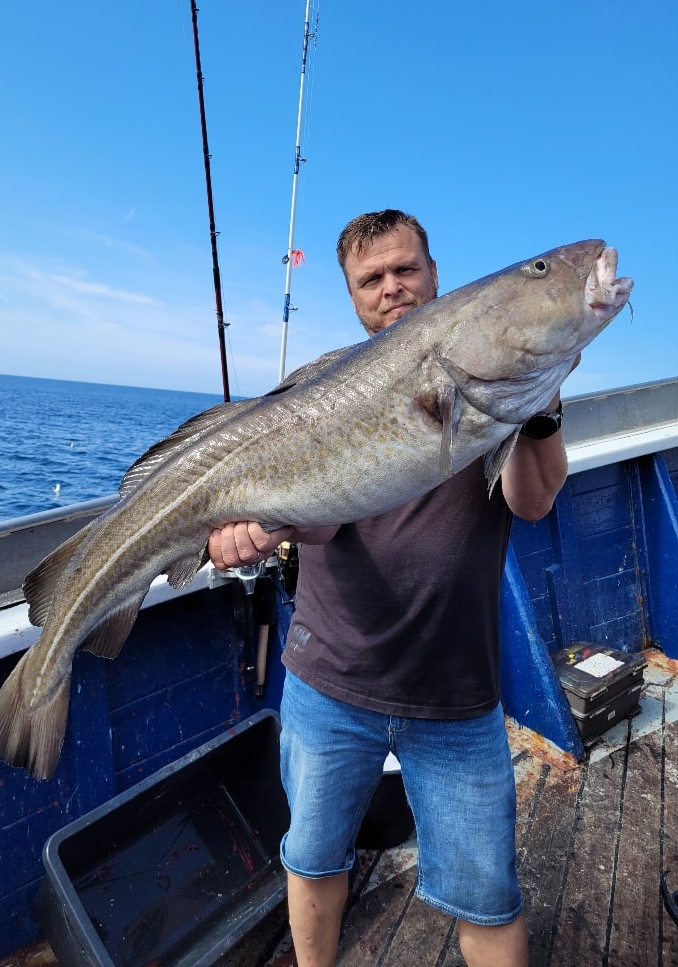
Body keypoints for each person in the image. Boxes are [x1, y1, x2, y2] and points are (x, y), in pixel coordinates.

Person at [208, 209, 570, 967]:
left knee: (488, 895)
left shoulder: (496, 383)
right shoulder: (317, 397)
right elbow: (306, 525)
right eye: (371, 279)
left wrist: (540, 414)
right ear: (353, 298)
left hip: (457, 698)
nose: (392, 287)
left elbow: (533, 502)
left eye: (406, 268)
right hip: (327, 684)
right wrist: (245, 532)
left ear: (436, 276)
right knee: (311, 859)